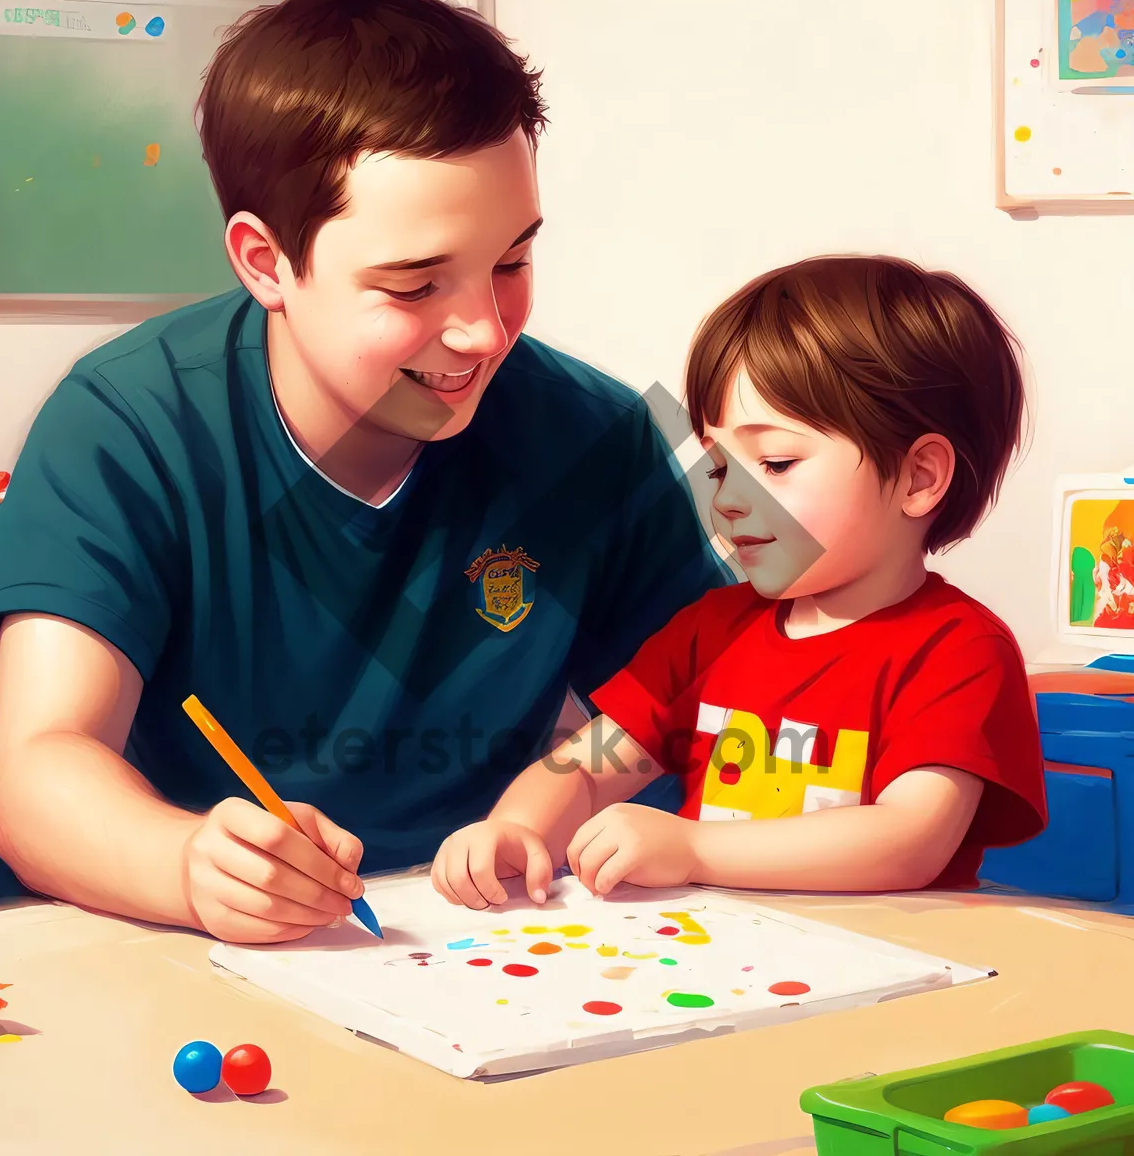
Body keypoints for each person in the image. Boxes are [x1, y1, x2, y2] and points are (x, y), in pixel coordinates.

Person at [0, 0, 731, 938]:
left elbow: (706, 699)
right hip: (44, 928)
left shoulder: (601, 431)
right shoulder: (121, 417)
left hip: (416, 938)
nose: (484, 331)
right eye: (414, 284)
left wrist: (543, 807)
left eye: (512, 263)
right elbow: (38, 774)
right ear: (266, 263)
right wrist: (189, 863)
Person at [432, 255, 1048, 909]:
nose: (726, 499)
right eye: (720, 466)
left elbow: (909, 839)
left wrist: (693, 850)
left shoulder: (958, 651)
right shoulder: (711, 630)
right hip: (727, 967)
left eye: (775, 462)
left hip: (892, 973)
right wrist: (515, 830)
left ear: (920, 477)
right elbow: (583, 768)